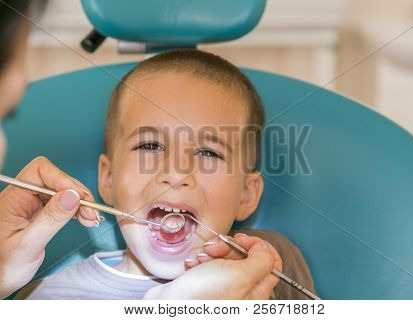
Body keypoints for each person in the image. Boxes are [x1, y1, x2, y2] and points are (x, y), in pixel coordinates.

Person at [0, 0, 300, 300]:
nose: (176, 172)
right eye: (150, 145)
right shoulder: (52, 300)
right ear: (108, 179)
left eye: (209, 153)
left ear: (247, 194)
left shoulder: (271, 275)